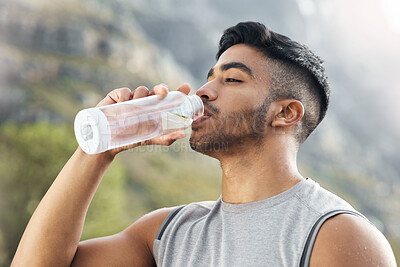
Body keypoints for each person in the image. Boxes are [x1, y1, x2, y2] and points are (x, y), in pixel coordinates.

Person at [12, 22, 396, 266]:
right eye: (208, 77)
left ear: (285, 114)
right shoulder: (167, 232)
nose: (204, 91)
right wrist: (96, 152)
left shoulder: (336, 235)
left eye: (232, 80)